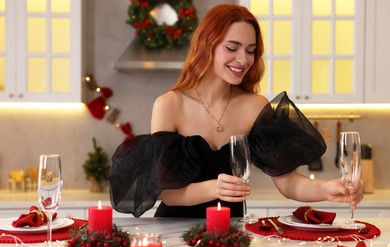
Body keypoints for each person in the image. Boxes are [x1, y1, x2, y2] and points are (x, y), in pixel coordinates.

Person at [109, 4, 363, 218]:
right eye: (232, 48)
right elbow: (167, 194)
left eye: (251, 51)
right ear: (207, 45)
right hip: (175, 231)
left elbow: (288, 182)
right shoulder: (169, 105)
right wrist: (214, 189)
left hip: (232, 233)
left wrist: (327, 188)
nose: (243, 59)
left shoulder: (255, 106)